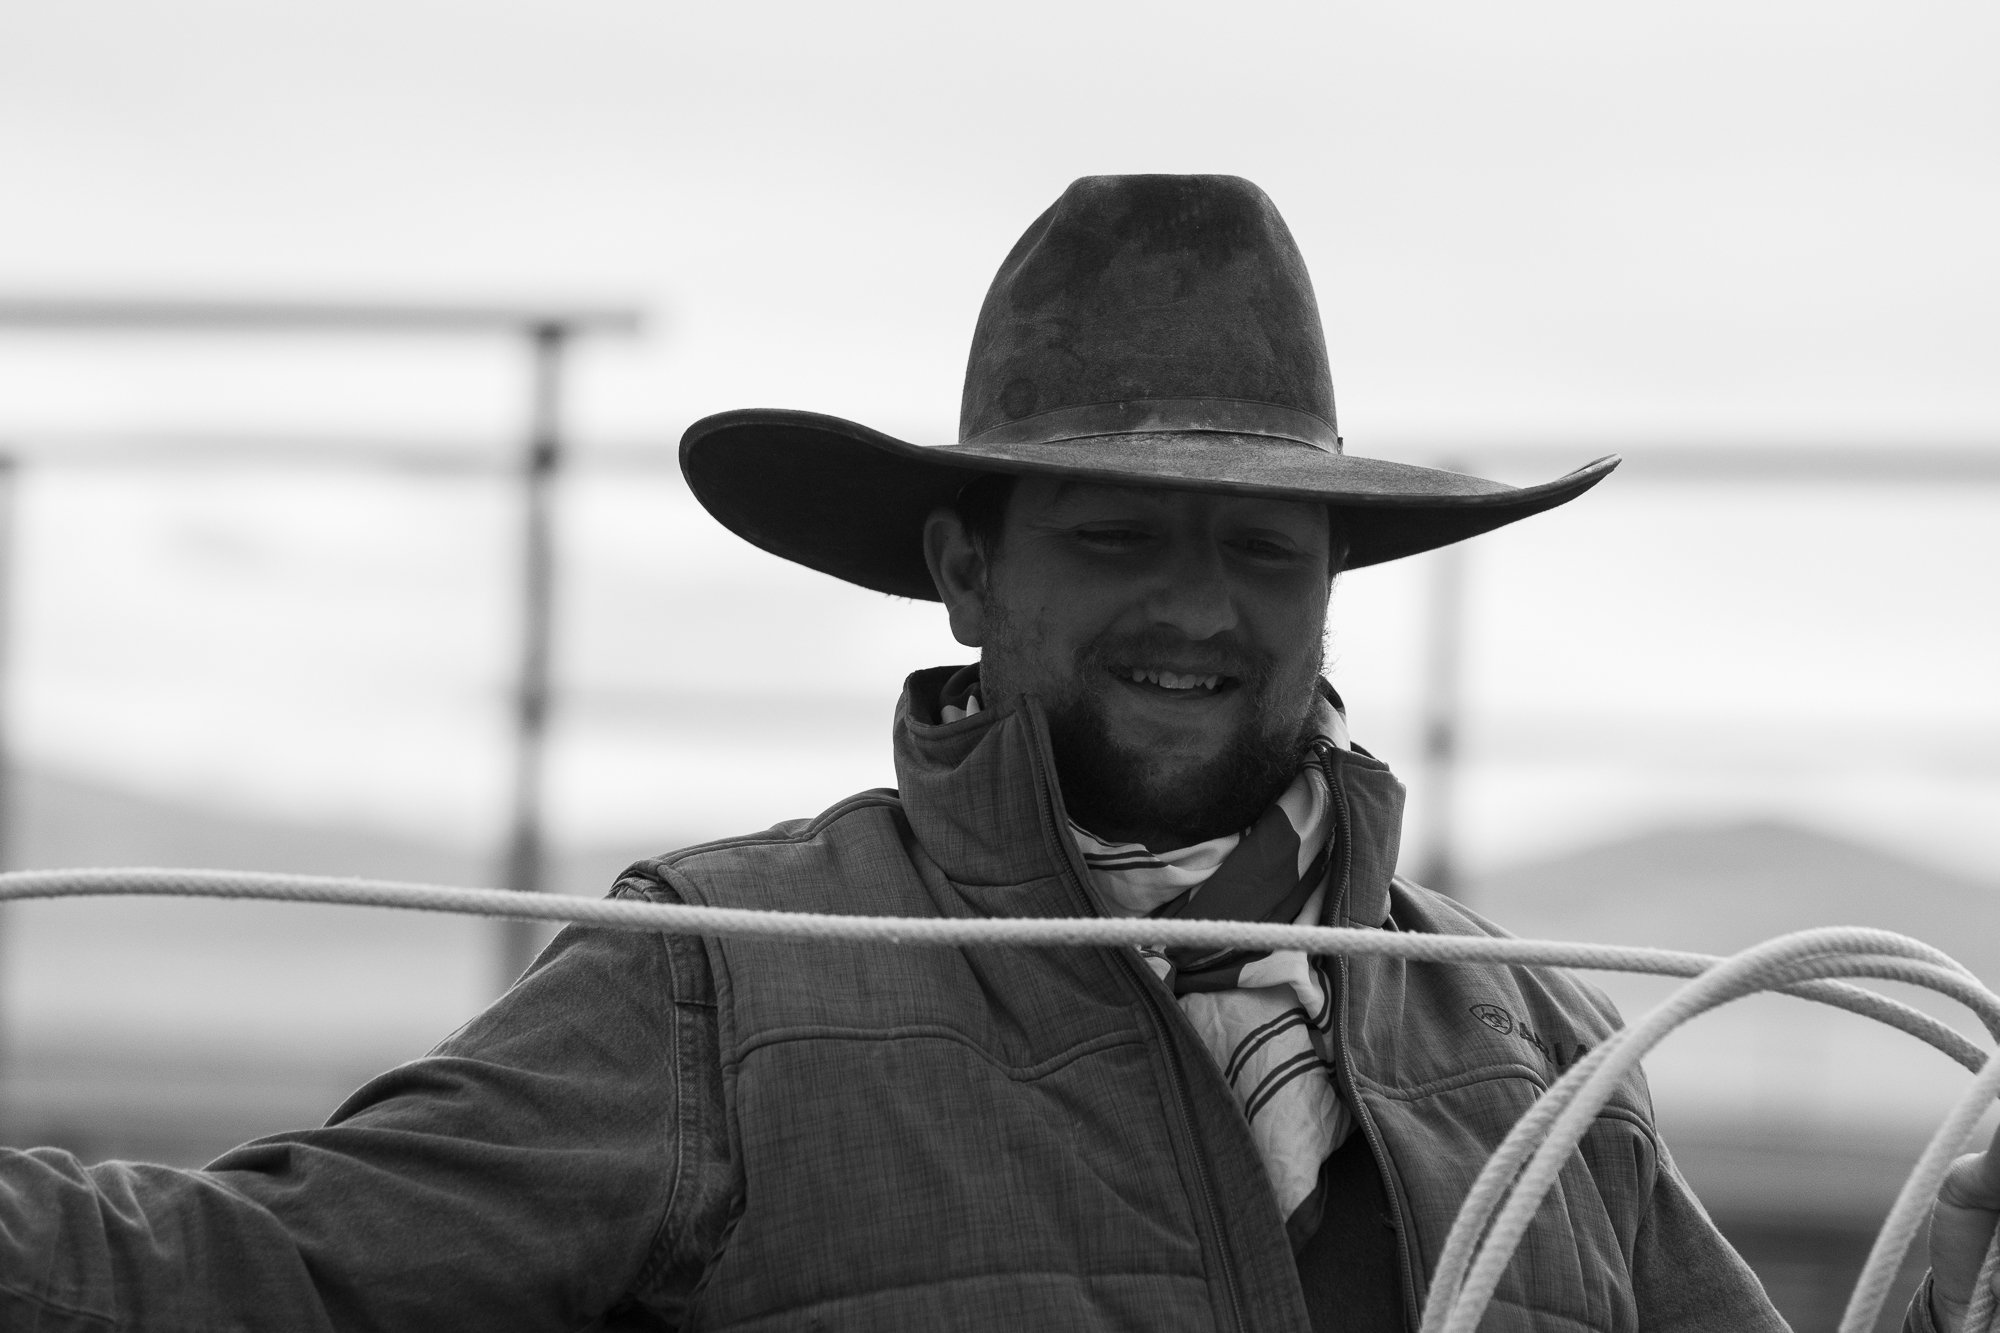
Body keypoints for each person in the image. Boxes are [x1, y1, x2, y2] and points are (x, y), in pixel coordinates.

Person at [0, 174, 1993, 1331]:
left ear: (1327, 583)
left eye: (1255, 546)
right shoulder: (726, 974)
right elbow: (260, 1273)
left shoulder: (1528, 1045)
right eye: (1116, 536)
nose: (1199, 609)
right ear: (964, 571)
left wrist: (1967, 1239)